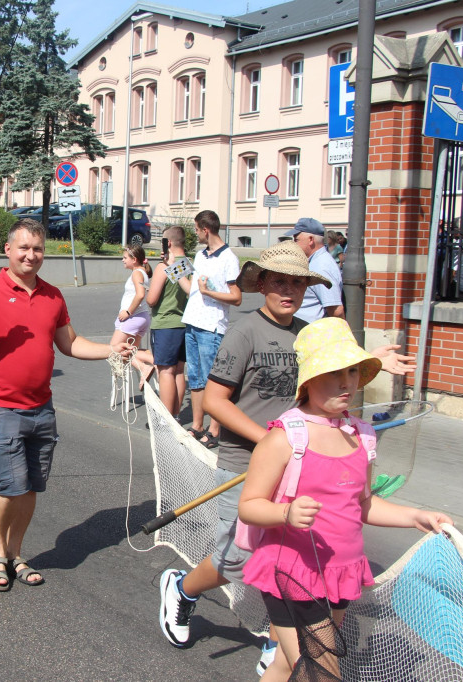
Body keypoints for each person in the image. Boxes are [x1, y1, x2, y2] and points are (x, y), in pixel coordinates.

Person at [158, 242, 416, 671]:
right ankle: (182, 589)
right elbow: (217, 400)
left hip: (297, 462)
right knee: (241, 556)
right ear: (261, 284)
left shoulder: (307, 331)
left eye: (298, 283)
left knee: (284, 557)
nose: (289, 290)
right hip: (251, 459)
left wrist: (374, 359)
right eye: (279, 281)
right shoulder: (245, 331)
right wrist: (273, 442)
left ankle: (281, 647)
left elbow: (336, 367)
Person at [238, 317, 451, 681]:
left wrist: (416, 517)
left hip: (340, 573)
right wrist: (285, 512)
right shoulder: (285, 437)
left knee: (288, 663)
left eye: (352, 371)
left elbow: (365, 505)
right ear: (308, 379)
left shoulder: (361, 435)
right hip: (293, 570)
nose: (346, 382)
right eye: (334, 371)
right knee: (324, 669)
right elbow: (249, 505)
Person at [0, 218, 132, 591]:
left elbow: (70, 344)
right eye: (24, 248)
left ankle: (15, 553)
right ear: (9, 250)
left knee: (30, 485)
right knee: (9, 485)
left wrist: (114, 352)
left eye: (38, 248)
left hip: (41, 407)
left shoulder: (52, 295)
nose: (31, 255)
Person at [181, 210, 242, 449]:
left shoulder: (229, 258)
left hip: (211, 327)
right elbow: (195, 291)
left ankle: (215, 429)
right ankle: (197, 425)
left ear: (206, 229)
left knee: (212, 379)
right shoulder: (200, 256)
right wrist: (175, 272)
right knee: (195, 378)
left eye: (196, 229)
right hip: (193, 322)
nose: (195, 234)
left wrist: (208, 292)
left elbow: (236, 298)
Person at [132, 226, 190, 415]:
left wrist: (148, 292)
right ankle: (176, 414)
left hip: (166, 323)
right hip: (184, 324)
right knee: (179, 371)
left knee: (165, 372)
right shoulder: (188, 264)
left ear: (169, 243)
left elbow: (152, 299)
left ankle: (166, 420)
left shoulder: (164, 266)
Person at [286, 218, 343, 322]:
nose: (294, 243)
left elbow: (336, 310)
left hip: (312, 334)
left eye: (296, 239)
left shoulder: (321, 266)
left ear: (311, 240)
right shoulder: (317, 262)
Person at [116, 244, 154, 385]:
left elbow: (140, 294)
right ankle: (148, 356)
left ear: (134, 259)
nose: (123, 260)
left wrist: (128, 311)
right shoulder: (142, 272)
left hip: (133, 318)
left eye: (125, 257)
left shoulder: (137, 273)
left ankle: (146, 365)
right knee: (131, 350)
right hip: (141, 317)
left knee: (115, 348)